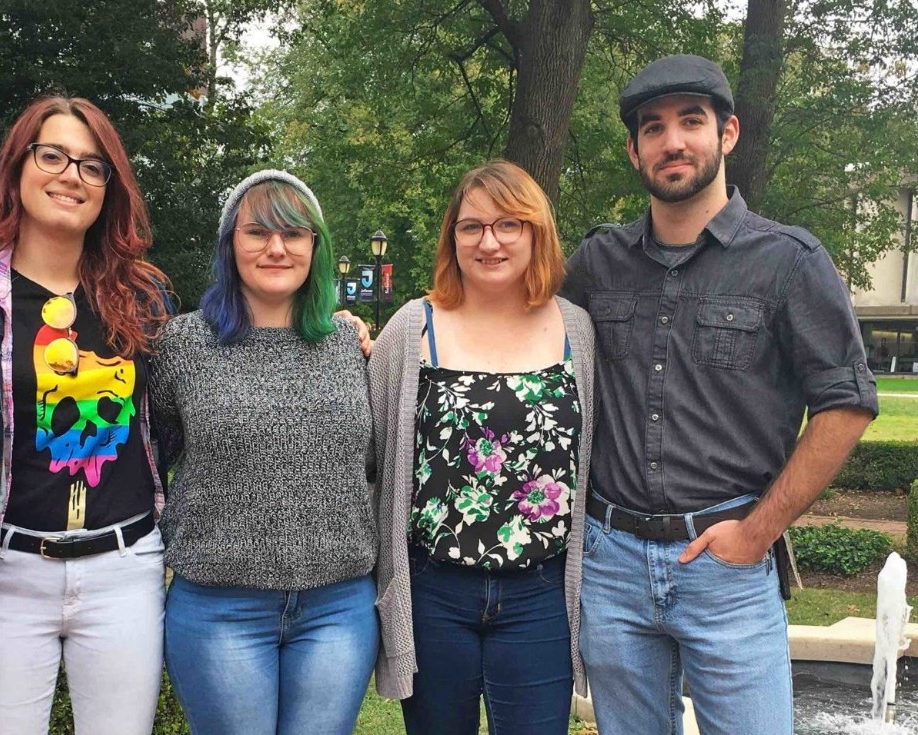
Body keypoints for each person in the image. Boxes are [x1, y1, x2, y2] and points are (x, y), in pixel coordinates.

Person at [561, 54, 879, 734]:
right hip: (610, 564)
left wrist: (759, 530)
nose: (672, 140)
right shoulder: (596, 263)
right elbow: (511, 325)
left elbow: (847, 404)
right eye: (653, 127)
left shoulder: (790, 261)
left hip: (727, 564)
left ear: (727, 133)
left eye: (691, 121)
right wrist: (382, 335)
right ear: (634, 148)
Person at [0, 95, 173, 735]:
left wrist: (335, 329)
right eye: (53, 155)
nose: (71, 175)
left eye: (93, 165)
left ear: (109, 189)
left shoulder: (143, 300)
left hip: (124, 573)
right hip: (6, 578)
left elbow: (197, 405)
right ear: (17, 168)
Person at [368, 159, 596, 734]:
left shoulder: (576, 330)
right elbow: (367, 456)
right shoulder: (412, 328)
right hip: (433, 595)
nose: (488, 241)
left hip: (540, 597)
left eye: (507, 225)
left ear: (535, 232)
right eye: (471, 227)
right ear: (453, 238)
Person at [149, 170, 377, 735]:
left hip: (337, 606)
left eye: (295, 234)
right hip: (219, 609)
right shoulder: (183, 344)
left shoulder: (350, 344)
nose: (277, 247)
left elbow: (373, 463)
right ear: (230, 244)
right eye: (258, 233)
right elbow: (151, 459)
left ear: (315, 248)